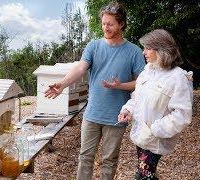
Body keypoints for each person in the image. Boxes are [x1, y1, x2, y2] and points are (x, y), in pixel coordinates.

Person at [45, 2, 145, 180]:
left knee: (109, 160)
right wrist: (62, 84)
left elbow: (142, 83)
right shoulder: (93, 46)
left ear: (121, 24)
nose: (105, 27)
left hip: (117, 116)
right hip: (92, 114)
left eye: (110, 24)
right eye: (103, 23)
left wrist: (120, 86)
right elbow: (80, 69)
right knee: (85, 157)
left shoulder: (134, 52)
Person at [118, 29, 193, 180]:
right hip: (141, 135)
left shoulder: (178, 77)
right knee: (146, 174)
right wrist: (127, 110)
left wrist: (156, 129)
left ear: (161, 49)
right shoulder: (147, 72)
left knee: (144, 175)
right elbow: (136, 98)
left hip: (156, 138)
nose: (143, 52)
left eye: (147, 48)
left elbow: (182, 114)